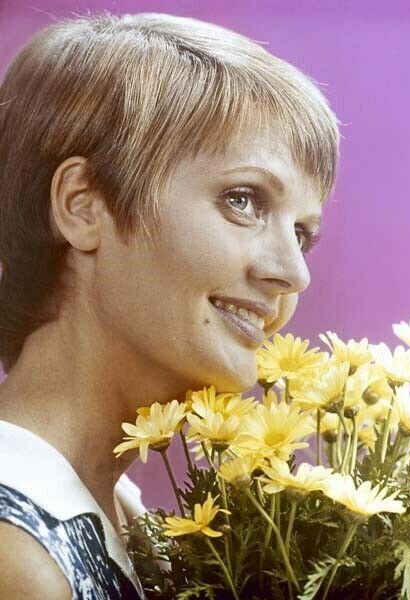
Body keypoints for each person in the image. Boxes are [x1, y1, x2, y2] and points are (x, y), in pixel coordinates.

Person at [0, 10, 339, 599]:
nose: (294, 273)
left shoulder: (127, 524)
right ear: (82, 205)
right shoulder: (19, 555)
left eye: (302, 234)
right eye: (243, 200)